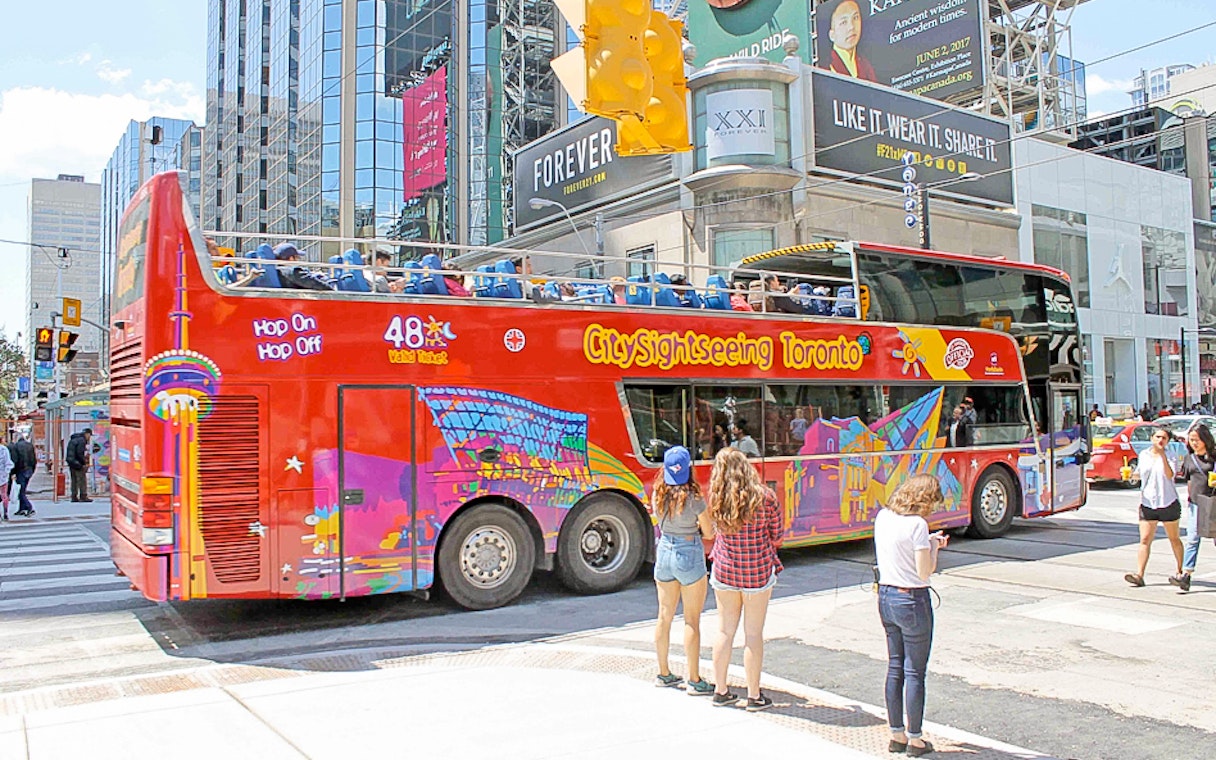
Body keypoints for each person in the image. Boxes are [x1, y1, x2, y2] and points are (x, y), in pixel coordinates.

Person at [875, 474, 948, 757]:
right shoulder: (918, 525)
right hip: (912, 599)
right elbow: (924, 571)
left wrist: (925, 542)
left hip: (886, 597)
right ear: (925, 500)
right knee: (915, 671)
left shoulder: (883, 517)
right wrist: (933, 547)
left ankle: (897, 735)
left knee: (895, 666)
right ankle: (916, 739)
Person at [706, 447, 783, 711]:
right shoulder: (766, 497)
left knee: (725, 631)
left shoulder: (716, 498)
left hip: (725, 571)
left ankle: (721, 690)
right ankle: (753, 696)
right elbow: (777, 535)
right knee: (753, 635)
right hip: (757, 573)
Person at [649, 446, 717, 695]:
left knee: (664, 616)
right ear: (689, 468)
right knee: (691, 620)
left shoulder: (657, 494)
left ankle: (664, 673)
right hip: (688, 553)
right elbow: (709, 532)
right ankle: (694, 679)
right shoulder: (695, 498)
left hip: (664, 551)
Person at [1125, 426, 1186, 587]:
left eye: (1164, 438)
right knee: (1145, 539)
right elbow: (1140, 473)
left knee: (1174, 538)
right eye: (1157, 437)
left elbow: (1170, 475)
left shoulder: (1171, 455)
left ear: (1167, 441)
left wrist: (1162, 456)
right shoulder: (1144, 455)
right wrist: (1129, 474)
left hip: (1168, 501)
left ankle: (1180, 571)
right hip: (1148, 502)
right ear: (1152, 438)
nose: (1160, 440)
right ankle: (1139, 574)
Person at [1174, 423, 1216, 592]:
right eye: (1191, 440)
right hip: (1196, 504)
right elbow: (1188, 479)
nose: (1194, 443)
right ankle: (1186, 575)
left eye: (1197, 440)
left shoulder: (1213, 457)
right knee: (1192, 539)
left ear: (1205, 439)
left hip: (1213, 502)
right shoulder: (1189, 458)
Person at [824, 0, 877, 82]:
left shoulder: (866, 65)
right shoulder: (826, 66)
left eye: (855, 18)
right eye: (844, 22)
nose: (851, 27)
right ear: (832, 35)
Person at [12, 435, 37, 517]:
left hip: (21, 470)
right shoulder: (30, 446)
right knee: (22, 489)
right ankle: (21, 509)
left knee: (21, 491)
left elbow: (15, 460)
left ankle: (29, 507)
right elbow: (34, 459)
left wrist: (13, 472)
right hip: (29, 470)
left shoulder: (16, 446)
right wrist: (33, 470)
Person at [66, 428, 93, 503]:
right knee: (82, 479)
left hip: (71, 461)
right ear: (87, 434)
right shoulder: (82, 441)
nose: (89, 438)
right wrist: (83, 463)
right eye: (89, 435)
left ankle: (74, 496)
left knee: (74, 480)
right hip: (77, 462)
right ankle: (83, 496)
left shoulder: (73, 439)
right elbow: (80, 453)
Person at [0, 440, 12, 521]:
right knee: (4, 495)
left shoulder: (4, 449)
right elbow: (9, 463)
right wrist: (6, 473)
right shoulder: (4, 449)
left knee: (4, 495)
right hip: (3, 476)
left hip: (2, 475)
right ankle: (5, 512)